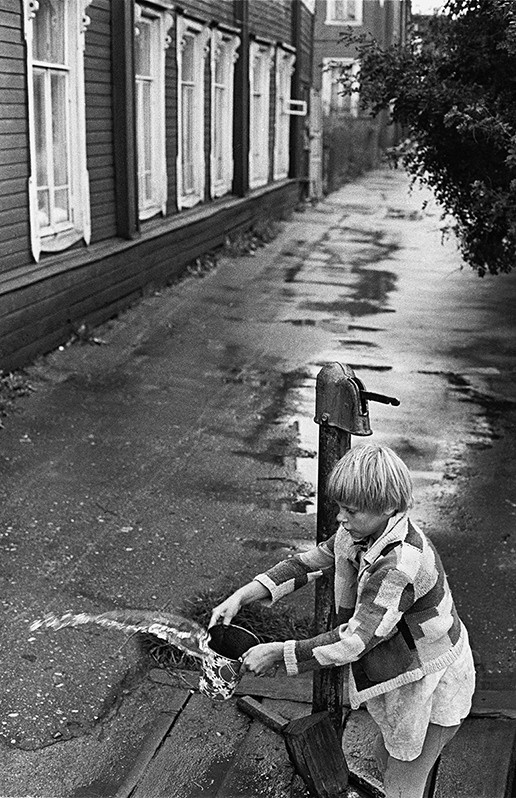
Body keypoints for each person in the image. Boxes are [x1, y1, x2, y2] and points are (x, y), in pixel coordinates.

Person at [209, 443, 475, 798]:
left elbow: (355, 640)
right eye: (340, 507)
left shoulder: (399, 566)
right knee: (387, 757)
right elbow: (308, 563)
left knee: (403, 782)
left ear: (389, 507)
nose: (340, 518)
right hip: (405, 668)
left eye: (351, 510)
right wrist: (244, 594)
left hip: (434, 678)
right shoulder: (360, 533)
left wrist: (279, 653)